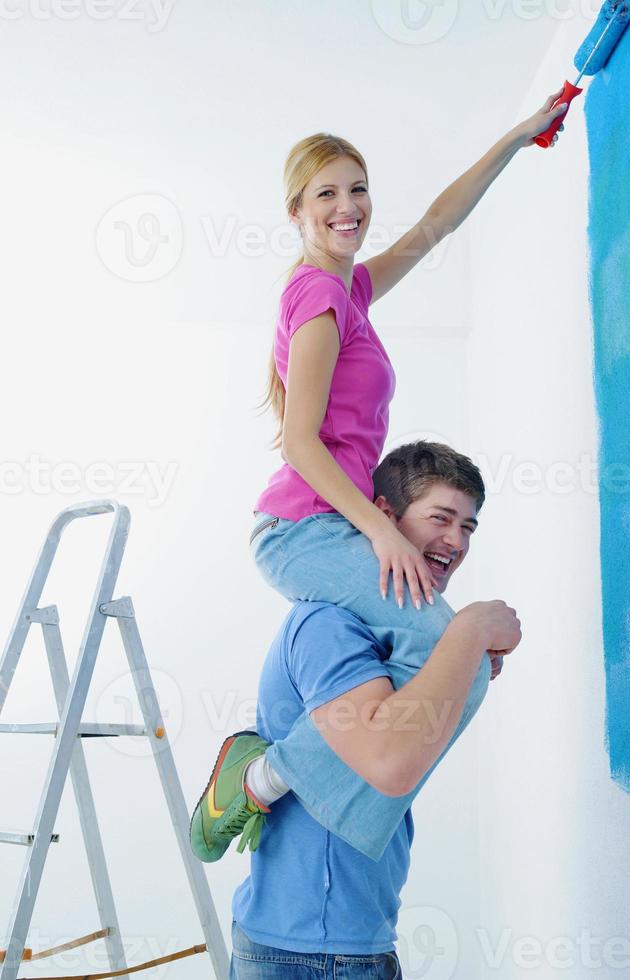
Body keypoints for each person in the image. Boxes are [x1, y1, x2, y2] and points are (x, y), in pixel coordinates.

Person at [190, 100, 561, 864]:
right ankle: (261, 777)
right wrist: (381, 528)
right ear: (296, 211)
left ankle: (280, 776)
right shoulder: (319, 297)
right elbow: (299, 443)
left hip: (330, 522)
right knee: (447, 651)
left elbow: (436, 224)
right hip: (305, 528)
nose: (347, 206)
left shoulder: (349, 289)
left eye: (357, 188)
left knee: (457, 666)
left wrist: (520, 137)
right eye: (326, 193)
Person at [217, 448, 522, 975]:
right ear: (382, 516)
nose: (457, 541)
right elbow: (389, 761)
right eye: (440, 519)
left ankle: (259, 775)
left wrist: (454, 657)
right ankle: (256, 777)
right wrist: (468, 633)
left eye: (468, 527)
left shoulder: (395, 636)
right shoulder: (329, 625)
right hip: (312, 953)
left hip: (347, 940)